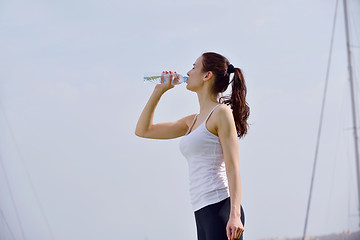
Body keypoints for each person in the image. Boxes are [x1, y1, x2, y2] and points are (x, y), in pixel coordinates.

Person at [135, 52, 250, 240]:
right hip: (201, 210)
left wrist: (235, 215)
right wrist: (158, 91)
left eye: (194, 67)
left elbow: (232, 166)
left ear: (207, 75)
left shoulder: (221, 112)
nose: (188, 71)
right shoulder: (192, 121)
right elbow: (143, 130)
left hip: (221, 206)